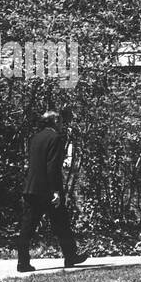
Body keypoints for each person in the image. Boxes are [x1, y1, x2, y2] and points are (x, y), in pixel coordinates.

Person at [17, 110, 87, 272]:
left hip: (31, 188)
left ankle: (22, 262)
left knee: (27, 227)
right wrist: (55, 191)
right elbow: (52, 166)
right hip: (47, 190)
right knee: (62, 223)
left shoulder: (34, 138)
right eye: (60, 121)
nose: (62, 124)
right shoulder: (55, 138)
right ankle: (70, 256)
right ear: (54, 121)